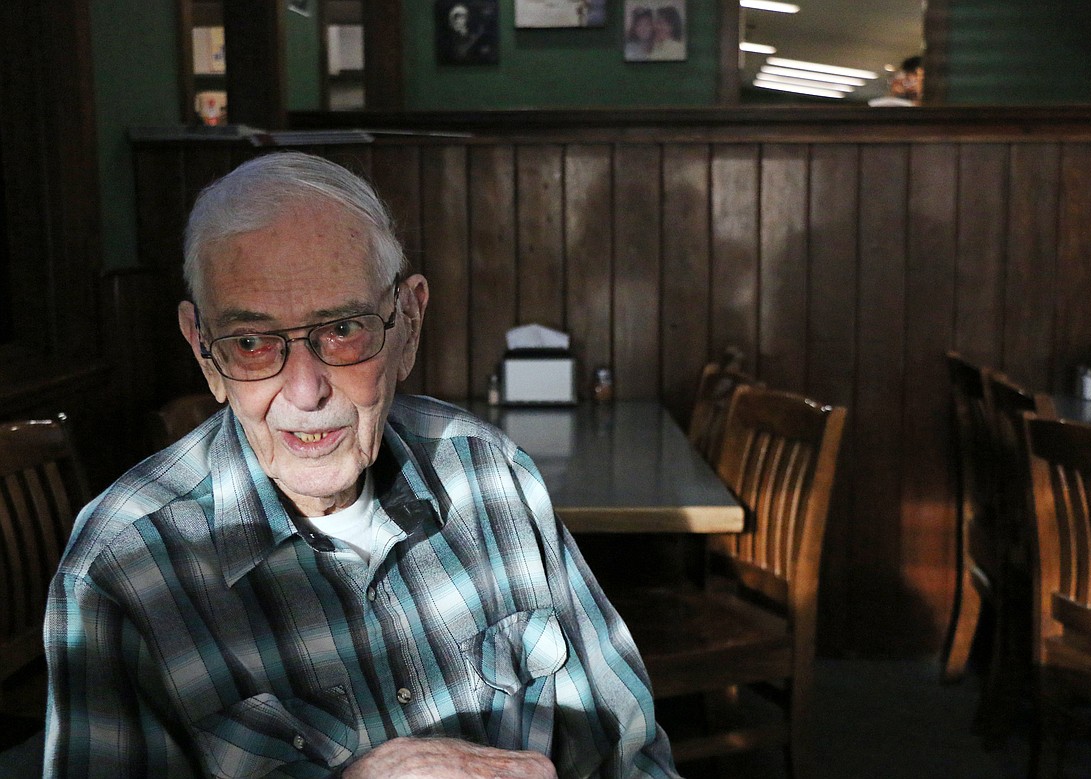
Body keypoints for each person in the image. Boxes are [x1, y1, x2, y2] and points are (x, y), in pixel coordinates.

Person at [43, 152, 680, 778]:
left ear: (408, 321)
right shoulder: (122, 570)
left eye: (343, 329)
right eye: (250, 342)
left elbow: (633, 754)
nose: (304, 390)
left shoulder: (490, 474)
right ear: (204, 352)